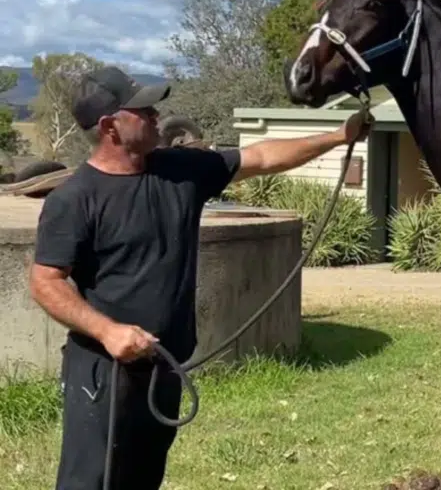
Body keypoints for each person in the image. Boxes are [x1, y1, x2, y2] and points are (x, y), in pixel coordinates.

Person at [27, 65, 373, 490]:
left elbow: (261, 157)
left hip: (164, 363)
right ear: (108, 127)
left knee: (143, 478)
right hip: (104, 371)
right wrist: (107, 331)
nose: (155, 115)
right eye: (142, 110)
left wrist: (339, 136)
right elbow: (46, 281)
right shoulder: (74, 199)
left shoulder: (181, 170)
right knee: (90, 482)